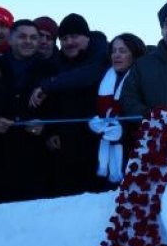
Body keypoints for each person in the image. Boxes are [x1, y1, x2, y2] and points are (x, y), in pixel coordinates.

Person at [0, 19, 56, 203]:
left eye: (33, 38)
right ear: (10, 39)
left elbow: (59, 107)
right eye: (22, 37)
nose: (28, 41)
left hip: (36, 157)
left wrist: (45, 126)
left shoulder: (50, 70)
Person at [31, 13, 109, 197]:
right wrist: (52, 131)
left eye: (74, 37)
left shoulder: (102, 54)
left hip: (97, 142)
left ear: (87, 37)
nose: (69, 42)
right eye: (64, 38)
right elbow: (53, 105)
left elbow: (87, 76)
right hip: (65, 145)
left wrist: (47, 85)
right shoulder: (59, 63)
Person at [88, 33, 145, 186]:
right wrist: (96, 123)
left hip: (134, 150)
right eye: (114, 51)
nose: (116, 55)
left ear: (134, 54)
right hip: (104, 144)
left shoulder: (142, 78)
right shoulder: (104, 77)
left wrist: (123, 130)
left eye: (123, 51)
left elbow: (144, 115)